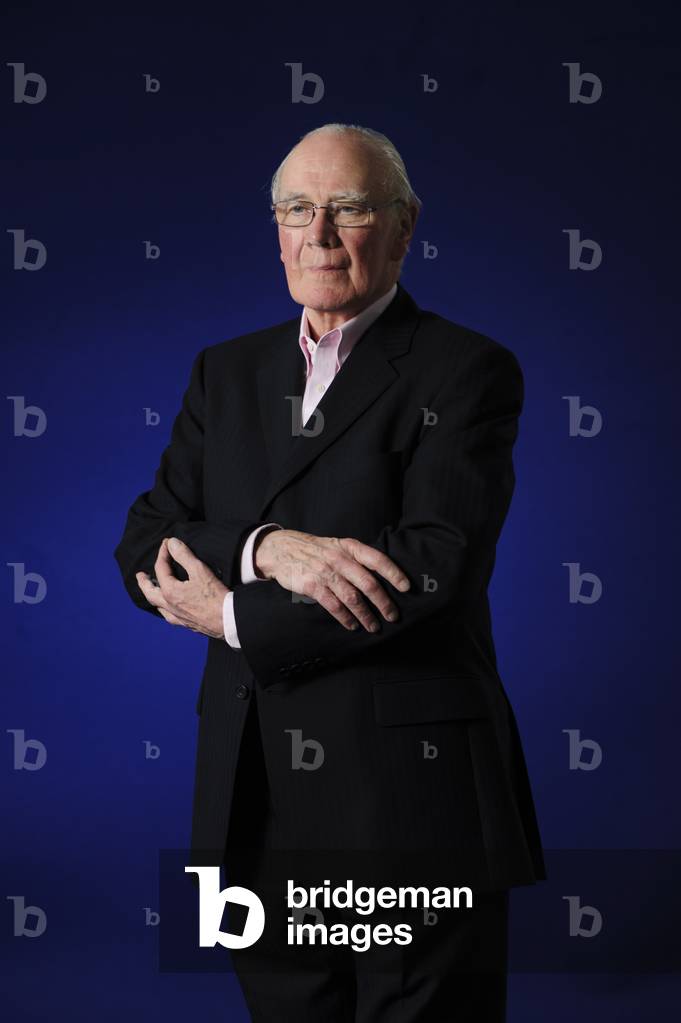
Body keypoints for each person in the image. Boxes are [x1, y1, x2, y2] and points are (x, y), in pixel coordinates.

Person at [114, 122, 546, 1021]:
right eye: (296, 210)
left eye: (347, 208)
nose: (318, 234)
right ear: (275, 228)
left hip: (409, 798)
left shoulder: (466, 370)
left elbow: (434, 565)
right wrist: (265, 545)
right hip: (253, 795)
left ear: (403, 224)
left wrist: (234, 618)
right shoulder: (224, 371)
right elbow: (147, 540)